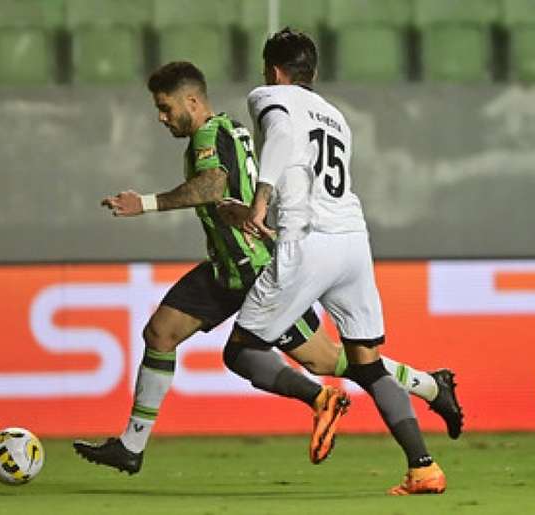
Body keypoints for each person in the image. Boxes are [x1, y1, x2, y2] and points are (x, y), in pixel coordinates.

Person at [73, 61, 462, 476]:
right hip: (226, 267)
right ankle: (131, 447)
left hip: (256, 265)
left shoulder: (212, 133)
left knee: (327, 362)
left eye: (166, 108)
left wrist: (145, 204)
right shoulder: (225, 132)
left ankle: (414, 387)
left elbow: (212, 185)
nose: (161, 118)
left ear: (192, 101)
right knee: (160, 333)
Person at [228, 28, 447, 495]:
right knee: (367, 364)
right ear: (315, 72)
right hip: (353, 242)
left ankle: (320, 397)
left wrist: (260, 201)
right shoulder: (336, 117)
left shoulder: (268, 96)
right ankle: (424, 467)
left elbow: (284, 136)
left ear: (273, 69)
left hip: (308, 242)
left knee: (241, 350)